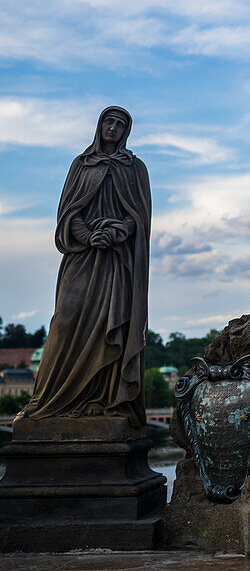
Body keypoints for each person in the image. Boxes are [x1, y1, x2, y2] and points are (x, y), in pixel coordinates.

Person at [22, 107, 151, 427]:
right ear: (99, 126)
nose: (113, 128)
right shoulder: (81, 165)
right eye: (109, 122)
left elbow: (140, 218)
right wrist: (88, 235)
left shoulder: (135, 168)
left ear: (126, 132)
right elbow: (68, 211)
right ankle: (49, 400)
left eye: (120, 125)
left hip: (116, 261)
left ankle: (105, 401)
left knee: (113, 327)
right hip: (82, 256)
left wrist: (116, 231)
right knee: (65, 322)